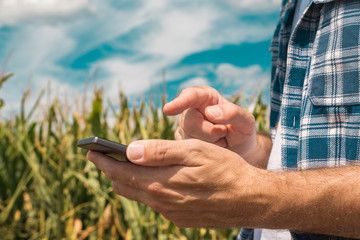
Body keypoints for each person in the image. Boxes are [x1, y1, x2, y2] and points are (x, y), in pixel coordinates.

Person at [87, 0, 360, 239]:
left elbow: (272, 190)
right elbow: (305, 158)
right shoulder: (291, 6)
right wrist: (249, 153)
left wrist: (258, 196)